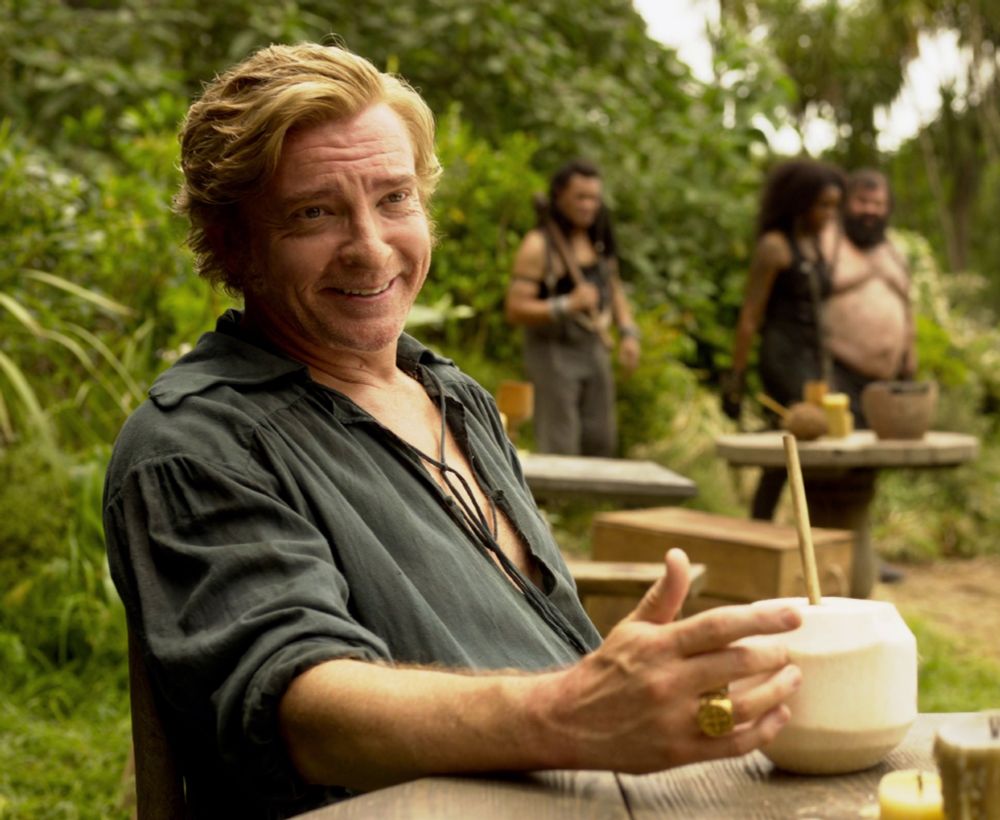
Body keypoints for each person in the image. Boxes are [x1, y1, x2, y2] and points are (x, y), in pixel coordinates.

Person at [103, 43, 803, 819]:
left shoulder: (453, 393)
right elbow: (301, 708)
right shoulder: (197, 444)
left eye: (394, 199)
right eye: (314, 213)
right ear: (230, 241)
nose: (371, 247)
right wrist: (574, 711)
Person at [722, 159, 845, 520]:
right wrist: (736, 379)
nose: (829, 214)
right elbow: (749, 317)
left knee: (820, 448)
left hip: (816, 360)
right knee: (789, 449)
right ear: (801, 202)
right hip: (784, 360)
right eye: (823, 205)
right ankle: (760, 530)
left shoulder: (815, 246)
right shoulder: (775, 247)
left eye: (834, 206)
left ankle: (825, 532)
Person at [504, 161, 640, 456]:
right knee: (560, 442)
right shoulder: (538, 246)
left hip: (594, 348)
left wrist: (628, 332)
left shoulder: (599, 242)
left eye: (594, 198)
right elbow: (515, 308)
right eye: (581, 197)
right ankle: (556, 502)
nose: (588, 205)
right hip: (553, 352)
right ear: (559, 197)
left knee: (600, 439)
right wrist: (566, 305)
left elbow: (614, 290)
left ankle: (591, 503)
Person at [823, 168, 917, 423]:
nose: (870, 210)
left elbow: (907, 309)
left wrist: (910, 360)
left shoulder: (894, 252)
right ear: (845, 203)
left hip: (887, 383)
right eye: (862, 201)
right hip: (835, 376)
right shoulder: (827, 242)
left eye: (878, 204)